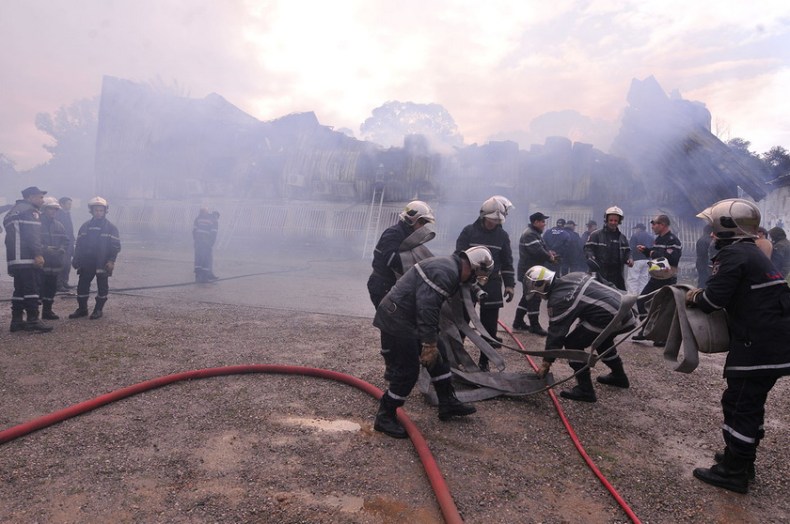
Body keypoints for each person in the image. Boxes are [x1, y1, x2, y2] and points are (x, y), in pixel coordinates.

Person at [687, 198, 790, 494]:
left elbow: (712, 300)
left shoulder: (733, 254)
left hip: (758, 344)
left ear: (728, 227)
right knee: (749, 402)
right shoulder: (751, 252)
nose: (711, 234)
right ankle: (742, 459)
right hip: (773, 341)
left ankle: (733, 471)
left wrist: (693, 296)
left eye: (714, 228)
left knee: (740, 403)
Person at [372, 246, 494, 438]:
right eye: (474, 277)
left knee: (440, 355)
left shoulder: (450, 267)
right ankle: (385, 416)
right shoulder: (446, 273)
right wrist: (428, 343)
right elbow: (427, 307)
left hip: (409, 317)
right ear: (472, 268)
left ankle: (447, 402)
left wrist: (432, 342)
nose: (472, 281)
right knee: (408, 371)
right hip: (397, 320)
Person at [526, 265, 637, 403]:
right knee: (603, 341)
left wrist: (546, 362)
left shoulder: (558, 299)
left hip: (611, 317)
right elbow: (602, 281)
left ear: (541, 285)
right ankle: (619, 377)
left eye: (537, 293)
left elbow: (556, 334)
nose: (539, 297)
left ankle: (585, 390)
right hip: (625, 311)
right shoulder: (573, 276)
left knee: (573, 344)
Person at [456, 196, 516, 369]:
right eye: (491, 220)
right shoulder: (468, 231)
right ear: (483, 216)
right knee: (462, 321)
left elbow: (507, 262)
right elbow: (458, 256)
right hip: (468, 281)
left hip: (492, 282)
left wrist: (510, 285)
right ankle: (455, 357)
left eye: (497, 221)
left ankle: (484, 361)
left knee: (489, 326)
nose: (493, 223)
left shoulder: (502, 236)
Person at [367, 200, 436, 308]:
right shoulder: (394, 233)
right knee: (389, 316)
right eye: (422, 222)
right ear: (412, 219)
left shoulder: (409, 236)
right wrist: (417, 265)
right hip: (382, 284)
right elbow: (391, 259)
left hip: (393, 284)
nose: (423, 226)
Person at [3, 186, 53, 332]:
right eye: (40, 197)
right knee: (32, 288)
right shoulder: (31, 211)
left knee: (19, 289)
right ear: (30, 197)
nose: (42, 201)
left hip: (14, 259)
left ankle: (16, 321)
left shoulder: (12, 212)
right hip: (27, 257)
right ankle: (33, 320)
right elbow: (32, 235)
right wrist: (38, 254)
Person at [632, 214, 682, 346]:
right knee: (642, 301)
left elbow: (672, 259)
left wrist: (652, 253)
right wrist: (646, 251)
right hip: (655, 277)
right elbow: (657, 257)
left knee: (664, 308)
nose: (652, 227)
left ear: (663, 225)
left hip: (667, 279)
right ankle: (645, 330)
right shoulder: (658, 239)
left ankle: (662, 337)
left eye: (654, 224)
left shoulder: (673, 240)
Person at [70, 196, 121, 320]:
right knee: (82, 286)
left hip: (102, 262)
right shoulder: (85, 226)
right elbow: (79, 244)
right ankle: (82, 309)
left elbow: (115, 246)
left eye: (101, 210)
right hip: (86, 262)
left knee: (102, 286)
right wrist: (76, 258)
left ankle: (98, 309)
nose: (98, 213)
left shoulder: (111, 228)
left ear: (105, 211)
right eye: (96, 210)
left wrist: (111, 261)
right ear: (91, 211)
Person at [512, 212, 557, 335]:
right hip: (530, 272)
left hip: (533, 270)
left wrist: (549, 253)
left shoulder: (535, 233)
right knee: (534, 297)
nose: (544, 224)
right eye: (542, 221)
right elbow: (537, 251)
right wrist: (550, 257)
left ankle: (518, 322)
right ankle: (534, 326)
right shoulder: (530, 234)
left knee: (527, 296)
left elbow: (542, 248)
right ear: (535, 222)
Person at [583, 206, 633, 290]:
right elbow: (588, 248)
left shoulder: (622, 238)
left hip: (617, 277)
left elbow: (627, 252)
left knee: (617, 296)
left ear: (619, 221)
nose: (613, 223)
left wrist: (629, 259)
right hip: (599, 275)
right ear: (606, 220)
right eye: (611, 220)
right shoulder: (596, 235)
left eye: (616, 221)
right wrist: (591, 257)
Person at [39, 197, 70, 320]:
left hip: (54, 264)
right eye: (51, 209)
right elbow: (32, 242)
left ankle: (47, 311)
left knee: (51, 289)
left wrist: (61, 249)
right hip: (41, 263)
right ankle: (33, 315)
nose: (53, 211)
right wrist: (45, 249)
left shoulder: (59, 225)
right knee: (38, 289)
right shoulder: (37, 224)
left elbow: (65, 240)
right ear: (44, 209)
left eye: (55, 209)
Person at [193, 208, 220, 283]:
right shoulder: (214, 221)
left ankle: (199, 276)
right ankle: (205, 277)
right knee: (207, 259)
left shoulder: (198, 218)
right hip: (206, 243)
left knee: (199, 258)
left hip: (198, 242)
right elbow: (213, 234)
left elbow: (194, 231)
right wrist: (211, 244)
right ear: (216, 216)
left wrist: (196, 240)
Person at [55, 197, 75, 291]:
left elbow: (70, 229)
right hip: (62, 243)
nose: (70, 206)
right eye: (68, 204)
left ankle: (64, 282)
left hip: (69, 242)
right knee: (61, 264)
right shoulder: (58, 215)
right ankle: (58, 284)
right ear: (62, 204)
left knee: (67, 264)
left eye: (70, 204)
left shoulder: (67, 214)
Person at [626, 223, 653, 295]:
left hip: (636, 259)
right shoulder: (650, 237)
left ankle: (632, 295)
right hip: (647, 260)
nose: (635, 230)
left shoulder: (635, 236)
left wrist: (630, 257)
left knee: (633, 278)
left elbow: (631, 248)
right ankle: (642, 296)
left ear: (639, 228)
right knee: (644, 279)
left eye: (636, 229)